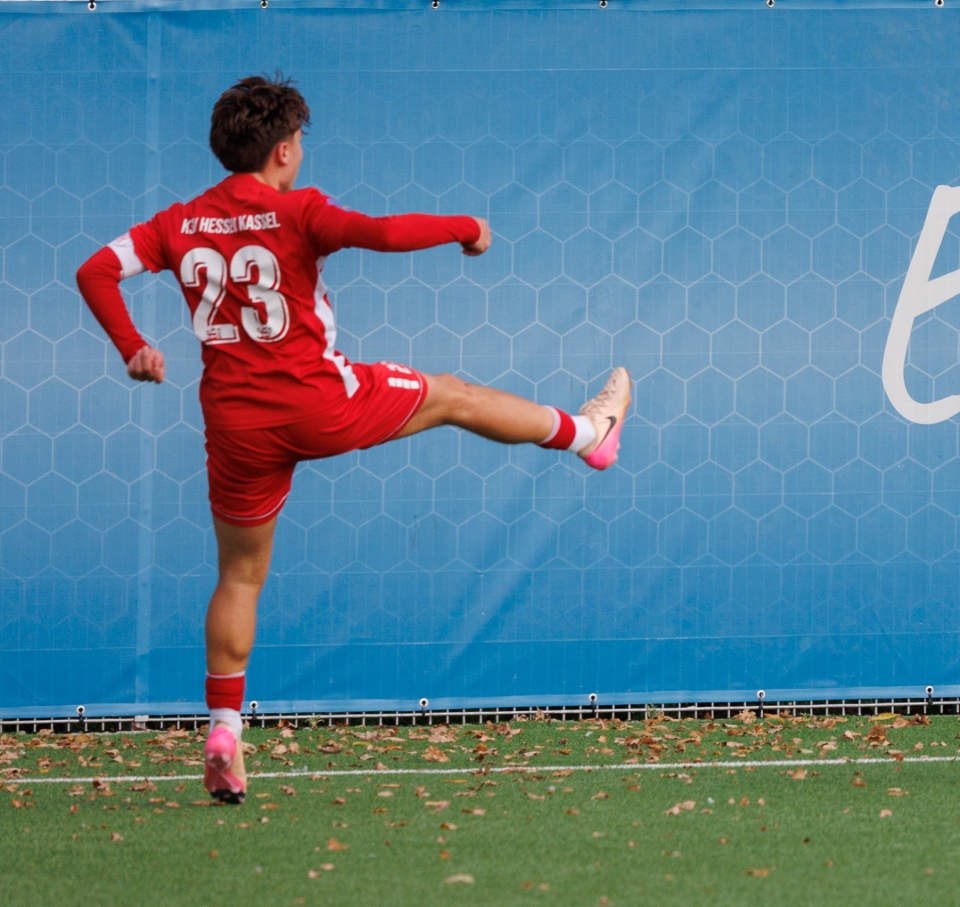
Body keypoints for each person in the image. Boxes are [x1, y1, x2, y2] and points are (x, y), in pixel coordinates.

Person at [73, 75, 632, 805]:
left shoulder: (177, 222)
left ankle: (223, 730)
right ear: (283, 150)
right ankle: (589, 434)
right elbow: (386, 234)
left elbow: (95, 270)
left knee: (239, 577)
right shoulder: (298, 209)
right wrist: (466, 225)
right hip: (319, 404)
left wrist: (133, 347)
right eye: (299, 141)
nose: (301, 152)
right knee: (453, 394)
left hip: (236, 427)